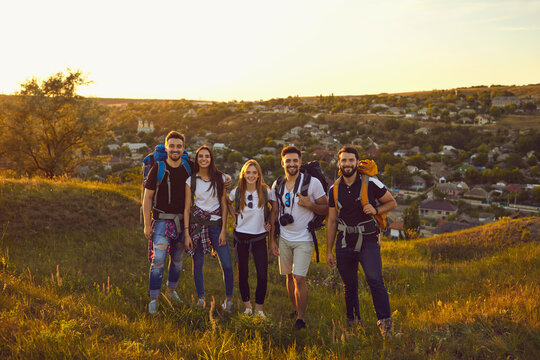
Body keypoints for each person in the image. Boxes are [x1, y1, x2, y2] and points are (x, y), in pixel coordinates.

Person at [326, 146, 397, 339]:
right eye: (344, 160)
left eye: (351, 160)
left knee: (375, 279)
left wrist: (375, 210)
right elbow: (332, 221)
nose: (347, 164)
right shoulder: (334, 188)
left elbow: (392, 203)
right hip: (343, 242)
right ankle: (354, 324)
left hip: (368, 240)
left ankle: (386, 327)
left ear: (357, 162)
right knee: (349, 286)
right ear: (339, 163)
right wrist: (329, 251)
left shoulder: (371, 182)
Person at [269, 146, 328, 330]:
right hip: (284, 238)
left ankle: (301, 319)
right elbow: (274, 212)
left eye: (295, 161)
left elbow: (325, 208)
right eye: (288, 161)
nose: (292, 164)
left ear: (300, 163)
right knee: (288, 277)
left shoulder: (312, 183)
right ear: (282, 163)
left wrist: (309, 204)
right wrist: (271, 239)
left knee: (299, 278)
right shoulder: (277, 184)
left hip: (304, 238)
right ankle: (296, 309)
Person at [143, 131, 192, 315]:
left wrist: (225, 178)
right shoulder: (159, 167)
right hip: (162, 221)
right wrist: (147, 224)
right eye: (172, 146)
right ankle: (154, 299)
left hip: (182, 221)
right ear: (166, 147)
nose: (175, 149)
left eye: (179, 146)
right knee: (158, 262)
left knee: (177, 260)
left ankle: (171, 291)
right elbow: (147, 198)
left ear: (183, 148)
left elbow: (207, 171)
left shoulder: (188, 166)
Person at [184, 145, 234, 312]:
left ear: (211, 159)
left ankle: (228, 299)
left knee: (226, 264)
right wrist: (186, 234)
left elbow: (224, 205)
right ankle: (201, 298)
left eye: (207, 156)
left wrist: (223, 231)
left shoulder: (219, 178)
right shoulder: (191, 180)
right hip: (197, 225)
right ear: (197, 159)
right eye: (200, 156)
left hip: (216, 226)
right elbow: (186, 208)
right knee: (198, 263)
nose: (204, 159)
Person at [227, 160, 273, 317]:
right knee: (243, 274)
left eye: (254, 172)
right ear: (243, 174)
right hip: (241, 238)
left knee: (262, 274)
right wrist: (234, 217)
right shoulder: (237, 192)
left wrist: (269, 223)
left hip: (259, 237)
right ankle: (247, 307)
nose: (251, 175)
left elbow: (275, 208)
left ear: (258, 174)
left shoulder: (266, 191)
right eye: (248, 172)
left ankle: (259, 309)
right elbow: (227, 202)